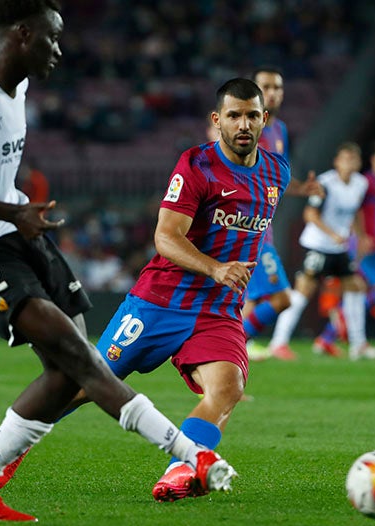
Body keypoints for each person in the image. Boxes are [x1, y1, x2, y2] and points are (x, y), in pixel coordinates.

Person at [0, 0, 236, 521]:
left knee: (71, 369)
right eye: (51, 38)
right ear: (21, 35)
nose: (59, 49)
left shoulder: (10, 82)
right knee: (79, 357)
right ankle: (188, 454)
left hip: (15, 228)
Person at [87, 77, 289, 501]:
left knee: (228, 388)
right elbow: (165, 237)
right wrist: (216, 268)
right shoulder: (195, 166)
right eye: (234, 116)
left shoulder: (277, 173)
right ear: (217, 121)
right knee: (83, 385)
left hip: (218, 310)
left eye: (253, 115)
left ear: (265, 119)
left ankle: (181, 469)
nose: (244, 124)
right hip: (160, 299)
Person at [267, 142, 375, 360]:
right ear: (336, 162)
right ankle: (278, 342)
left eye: (353, 159)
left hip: (339, 247)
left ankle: (358, 344)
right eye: (345, 158)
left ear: (358, 163)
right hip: (318, 245)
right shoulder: (325, 183)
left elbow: (356, 211)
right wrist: (332, 234)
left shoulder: (360, 184)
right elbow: (310, 214)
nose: (349, 163)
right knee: (303, 291)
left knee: (356, 287)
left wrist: (360, 235)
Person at [241, 66, 319, 361]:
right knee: (281, 297)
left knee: (249, 299)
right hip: (244, 225)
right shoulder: (243, 126)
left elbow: (278, 175)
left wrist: (301, 188)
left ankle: (232, 353)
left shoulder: (279, 129)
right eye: (266, 86)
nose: (272, 93)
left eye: (278, 87)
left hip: (264, 223)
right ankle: (228, 345)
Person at [312, 140, 375, 356]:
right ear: (372, 160)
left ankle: (330, 334)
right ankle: (344, 329)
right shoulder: (368, 183)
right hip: (365, 247)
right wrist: (360, 237)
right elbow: (355, 211)